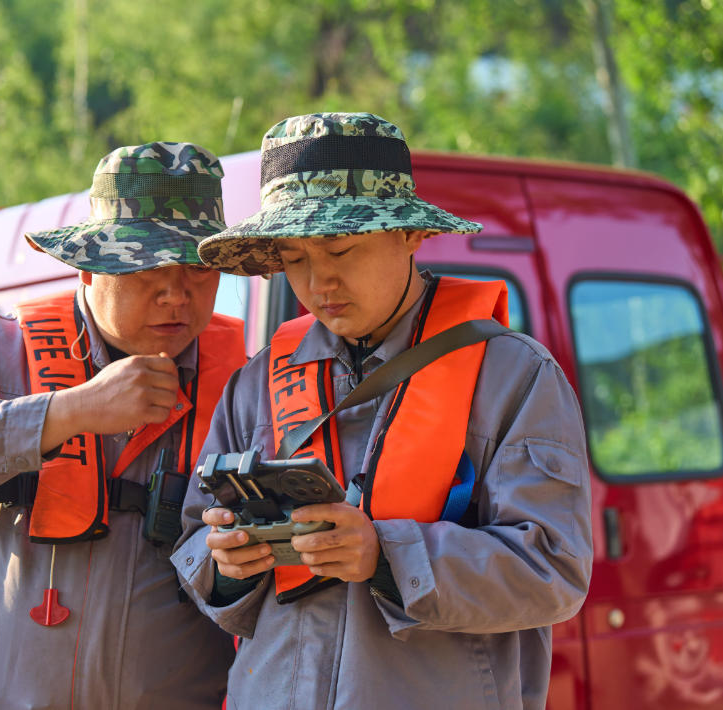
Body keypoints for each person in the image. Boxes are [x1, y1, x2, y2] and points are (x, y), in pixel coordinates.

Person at [171, 113, 592, 709]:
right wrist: (227, 562)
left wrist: (387, 554)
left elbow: (554, 570)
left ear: (410, 234)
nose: (320, 282)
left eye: (340, 249)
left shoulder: (513, 375)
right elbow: (196, 543)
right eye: (294, 259)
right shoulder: (255, 383)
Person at [0, 142, 245, 709]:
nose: (176, 294)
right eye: (146, 266)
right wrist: (67, 412)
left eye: (197, 268)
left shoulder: (244, 380)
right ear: (89, 266)